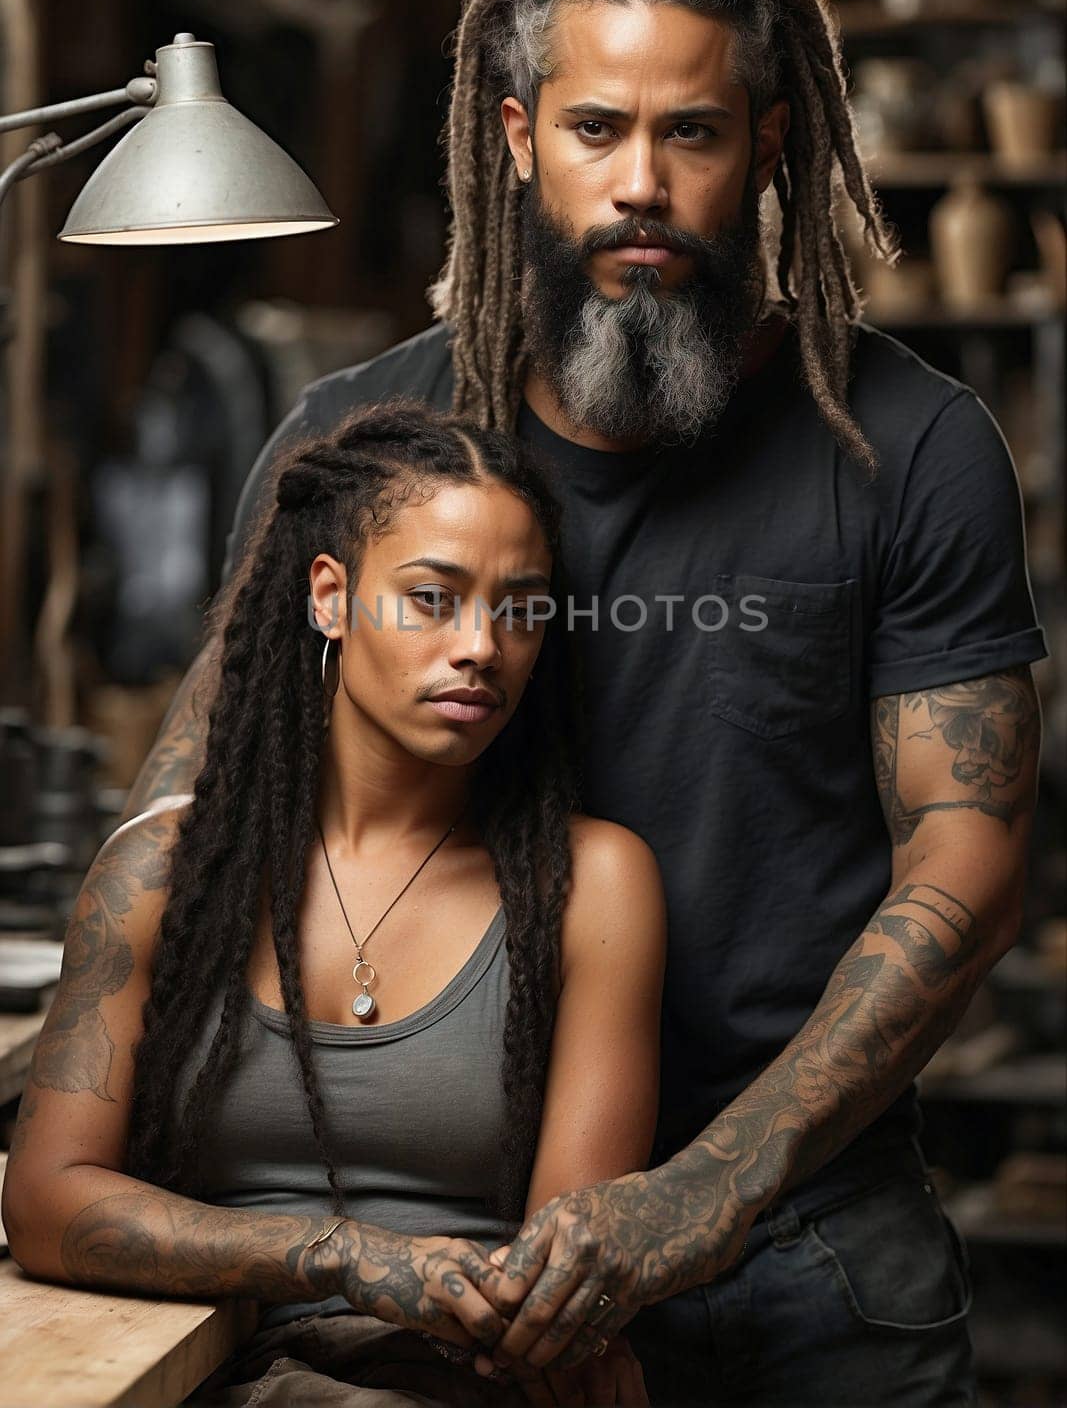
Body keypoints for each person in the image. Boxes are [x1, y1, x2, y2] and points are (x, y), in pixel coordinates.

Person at [108, 0, 1045, 1406]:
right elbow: (199, 809)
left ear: (767, 141)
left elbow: (969, 853)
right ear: (513, 136)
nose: (638, 187)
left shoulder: (911, 448)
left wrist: (707, 1189)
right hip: (454, 1265)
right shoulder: (356, 440)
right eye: (595, 129)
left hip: (805, 1237)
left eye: (689, 132)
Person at [2, 402, 666, 1406]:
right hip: (203, 1365)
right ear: (330, 596)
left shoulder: (591, 884)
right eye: (433, 597)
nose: (481, 645)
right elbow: (48, 1200)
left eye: (520, 608)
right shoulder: (164, 872)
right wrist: (336, 1255)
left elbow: (557, 1277)